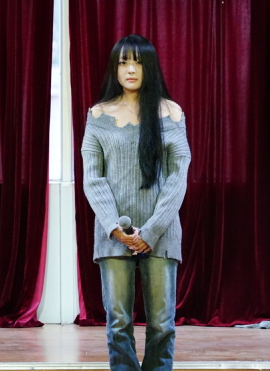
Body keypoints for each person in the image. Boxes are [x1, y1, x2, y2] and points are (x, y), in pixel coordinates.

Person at [81, 34, 191, 371]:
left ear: (150, 67)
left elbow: (177, 176)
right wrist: (114, 228)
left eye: (138, 63)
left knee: (162, 323)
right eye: (124, 62)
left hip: (162, 232)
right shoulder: (98, 115)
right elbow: (93, 177)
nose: (130, 70)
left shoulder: (171, 112)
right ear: (115, 69)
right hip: (114, 234)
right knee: (118, 323)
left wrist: (152, 231)